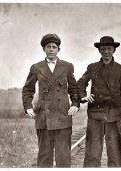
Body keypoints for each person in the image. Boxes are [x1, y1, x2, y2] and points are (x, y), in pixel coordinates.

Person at [22, 33, 79, 167]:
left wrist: (75, 104)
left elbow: (74, 89)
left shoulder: (67, 66)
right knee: (44, 156)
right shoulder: (36, 67)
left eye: (54, 47)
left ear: (58, 49)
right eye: (48, 47)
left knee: (64, 157)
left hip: (63, 117)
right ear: (44, 49)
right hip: (43, 118)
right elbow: (27, 89)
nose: (51, 49)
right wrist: (28, 107)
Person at [77, 36, 121, 167]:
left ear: (114, 50)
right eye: (103, 49)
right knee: (92, 153)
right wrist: (83, 96)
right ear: (99, 51)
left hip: (114, 115)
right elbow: (81, 83)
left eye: (109, 49)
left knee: (116, 154)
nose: (106, 51)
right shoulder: (93, 67)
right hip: (96, 115)